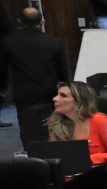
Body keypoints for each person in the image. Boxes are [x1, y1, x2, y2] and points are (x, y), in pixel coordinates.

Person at [1, 7, 68, 143]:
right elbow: (63, 71)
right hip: (50, 92)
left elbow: (2, 67)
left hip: (24, 93)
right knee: (53, 125)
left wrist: (2, 88)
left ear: (19, 21)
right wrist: (65, 91)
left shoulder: (9, 41)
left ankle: (32, 157)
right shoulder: (54, 42)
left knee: (27, 127)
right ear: (42, 21)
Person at [46, 81, 107, 164]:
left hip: (96, 173)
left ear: (79, 101)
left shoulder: (99, 120)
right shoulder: (55, 122)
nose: (55, 98)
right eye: (57, 94)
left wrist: (88, 159)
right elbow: (52, 155)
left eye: (63, 95)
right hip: (66, 174)